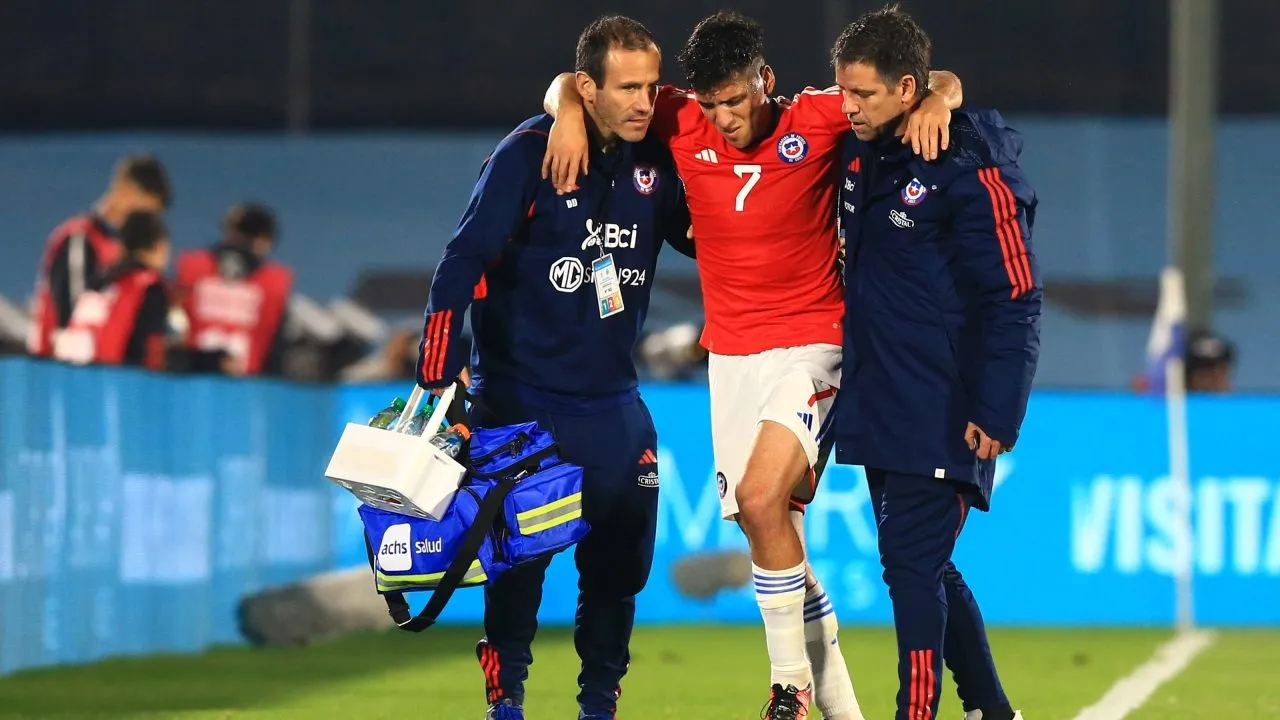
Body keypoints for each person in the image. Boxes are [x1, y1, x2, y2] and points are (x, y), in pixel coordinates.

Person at [542, 10, 961, 719]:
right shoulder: (680, 119)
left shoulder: (815, 118)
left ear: (765, 80)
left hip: (814, 346)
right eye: (712, 105)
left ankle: (788, 687)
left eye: (736, 100)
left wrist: (936, 101)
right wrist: (566, 118)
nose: (725, 118)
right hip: (732, 357)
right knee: (772, 536)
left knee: (764, 499)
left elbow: (938, 79)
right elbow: (571, 84)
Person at [414, 16, 693, 720]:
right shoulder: (526, 155)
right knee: (518, 561)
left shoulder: (657, 161)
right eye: (627, 88)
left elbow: (712, 237)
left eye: (651, 86)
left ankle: (598, 704)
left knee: (620, 569)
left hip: (612, 404)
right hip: (521, 401)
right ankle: (506, 697)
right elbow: (461, 262)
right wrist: (437, 374)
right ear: (588, 88)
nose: (643, 101)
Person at [830, 6, 1040, 720]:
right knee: (925, 562)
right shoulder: (862, 148)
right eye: (844, 91)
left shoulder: (969, 164)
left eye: (863, 94)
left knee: (910, 566)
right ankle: (990, 709)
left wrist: (998, 408)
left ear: (905, 88)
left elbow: (1015, 294)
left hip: (946, 406)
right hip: (879, 401)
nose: (848, 106)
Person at [28, 153, 172, 359]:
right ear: (126, 190)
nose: (147, 222)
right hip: (59, 369)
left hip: (97, 370)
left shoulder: (119, 254)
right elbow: (72, 322)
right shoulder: (79, 239)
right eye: (145, 212)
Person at [172, 202, 293, 376]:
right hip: (245, 386)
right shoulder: (274, 284)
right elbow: (277, 352)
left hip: (188, 381)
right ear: (264, 241)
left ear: (230, 232)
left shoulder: (192, 267)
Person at [52, 211, 173, 371]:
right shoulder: (149, 286)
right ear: (160, 246)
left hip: (72, 375)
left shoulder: (98, 282)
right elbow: (153, 352)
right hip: (117, 379)